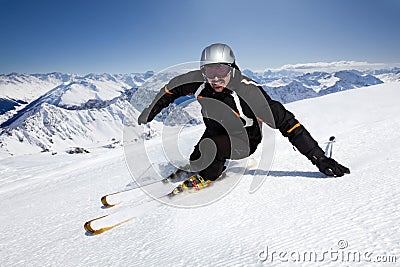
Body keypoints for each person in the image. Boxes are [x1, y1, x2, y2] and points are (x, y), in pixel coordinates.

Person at [138, 43, 350, 187]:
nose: (215, 78)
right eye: (209, 72)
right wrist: (150, 111)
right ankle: (203, 166)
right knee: (197, 160)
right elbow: (170, 90)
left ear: (232, 68)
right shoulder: (199, 82)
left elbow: (289, 124)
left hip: (244, 140)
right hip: (214, 131)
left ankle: (210, 174)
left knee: (212, 154)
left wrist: (319, 159)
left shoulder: (249, 93)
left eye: (220, 71)